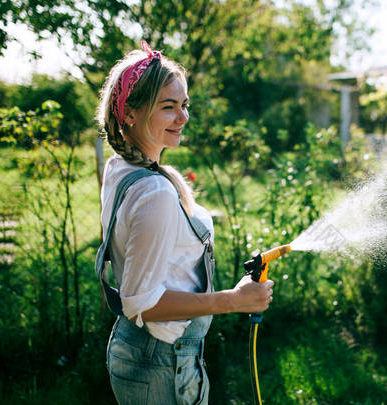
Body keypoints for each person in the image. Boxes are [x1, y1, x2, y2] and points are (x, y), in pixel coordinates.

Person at [96, 41, 274, 405]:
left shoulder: (122, 167)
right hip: (161, 362)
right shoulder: (154, 191)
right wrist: (232, 301)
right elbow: (141, 304)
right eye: (168, 107)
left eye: (184, 105)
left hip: (145, 353)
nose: (183, 117)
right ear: (130, 113)